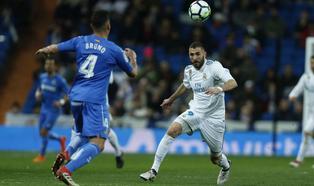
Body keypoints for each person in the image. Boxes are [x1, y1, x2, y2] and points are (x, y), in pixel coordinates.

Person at [35, 10, 138, 186]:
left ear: (91, 26)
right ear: (108, 26)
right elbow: (132, 74)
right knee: (98, 142)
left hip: (75, 98)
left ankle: (66, 154)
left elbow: (56, 47)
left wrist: (44, 49)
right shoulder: (114, 49)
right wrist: (134, 59)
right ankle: (66, 170)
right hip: (94, 100)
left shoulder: (80, 40)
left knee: (83, 134)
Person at [139, 41, 238, 185]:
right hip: (196, 112)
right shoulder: (189, 70)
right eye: (191, 54)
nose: (194, 57)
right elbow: (185, 86)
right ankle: (153, 170)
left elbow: (233, 82)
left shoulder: (214, 67)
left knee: (215, 158)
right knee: (172, 130)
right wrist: (171, 99)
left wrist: (219, 89)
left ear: (204, 54)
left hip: (214, 118)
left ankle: (226, 166)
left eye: (198, 54)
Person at [32, 58, 68, 163]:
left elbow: (68, 94)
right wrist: (37, 94)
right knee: (41, 133)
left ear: (55, 67)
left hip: (53, 111)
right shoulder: (42, 77)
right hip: (44, 108)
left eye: (51, 64)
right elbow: (39, 89)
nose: (48, 66)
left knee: (44, 132)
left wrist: (61, 102)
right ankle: (60, 139)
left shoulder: (60, 80)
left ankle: (41, 155)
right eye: (47, 64)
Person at [289, 55, 314, 169]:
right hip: (311, 111)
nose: (313, 65)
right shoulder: (306, 77)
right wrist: (292, 95)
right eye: (312, 63)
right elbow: (298, 88)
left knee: (306, 132)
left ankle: (298, 160)